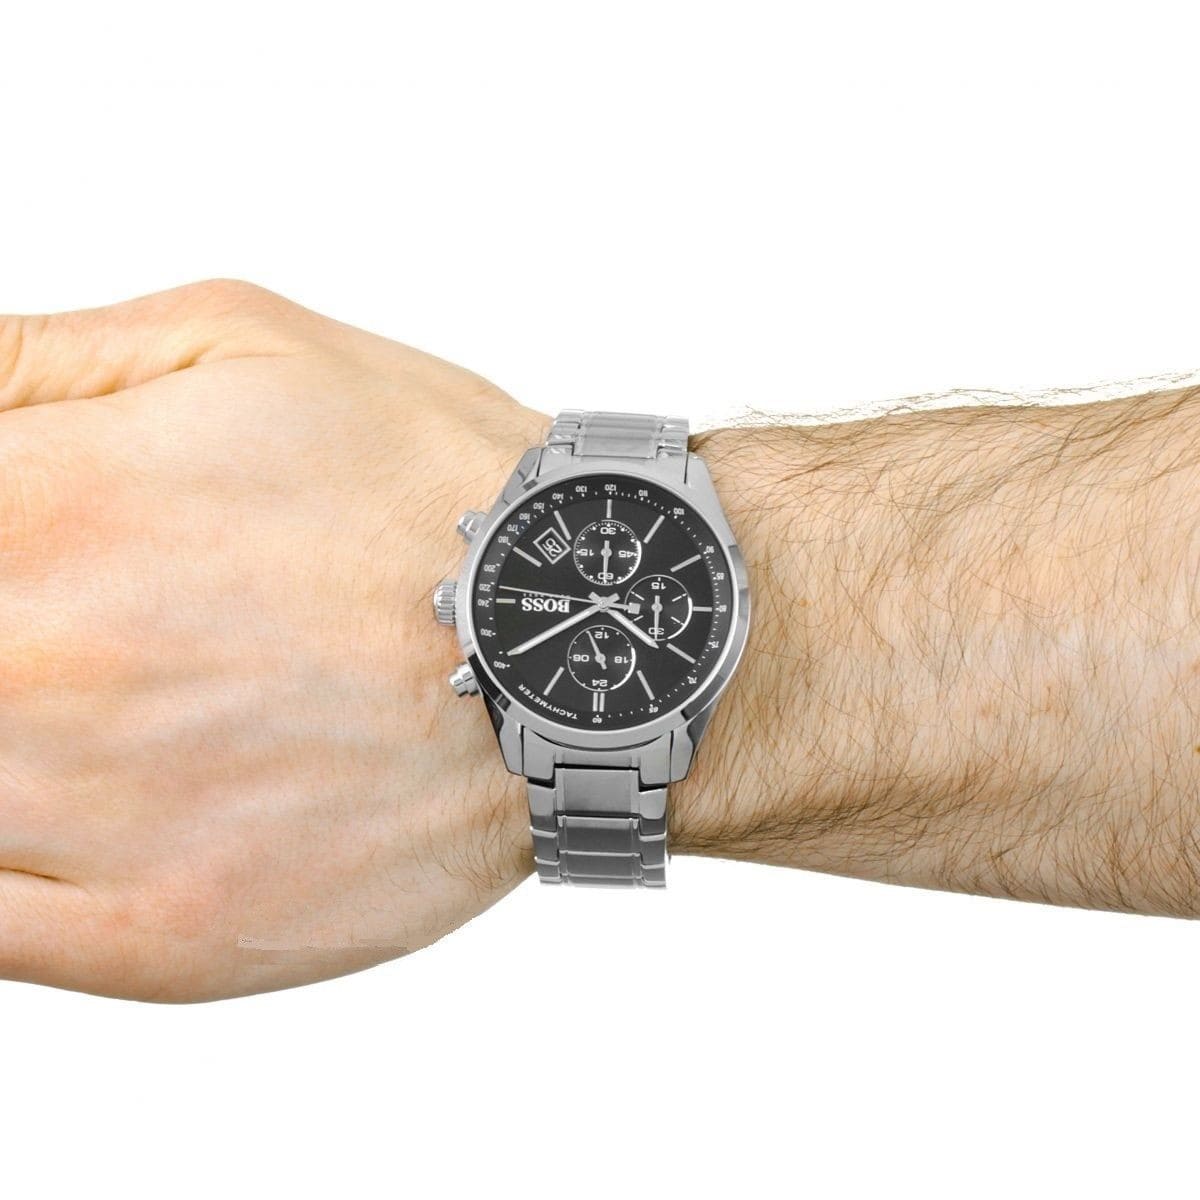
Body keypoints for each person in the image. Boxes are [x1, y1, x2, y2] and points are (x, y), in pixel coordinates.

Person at [2, 280, 1196, 1002]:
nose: (604, 613)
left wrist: (821, 627)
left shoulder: (666, 585)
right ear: (465, 598)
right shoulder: (516, 597)